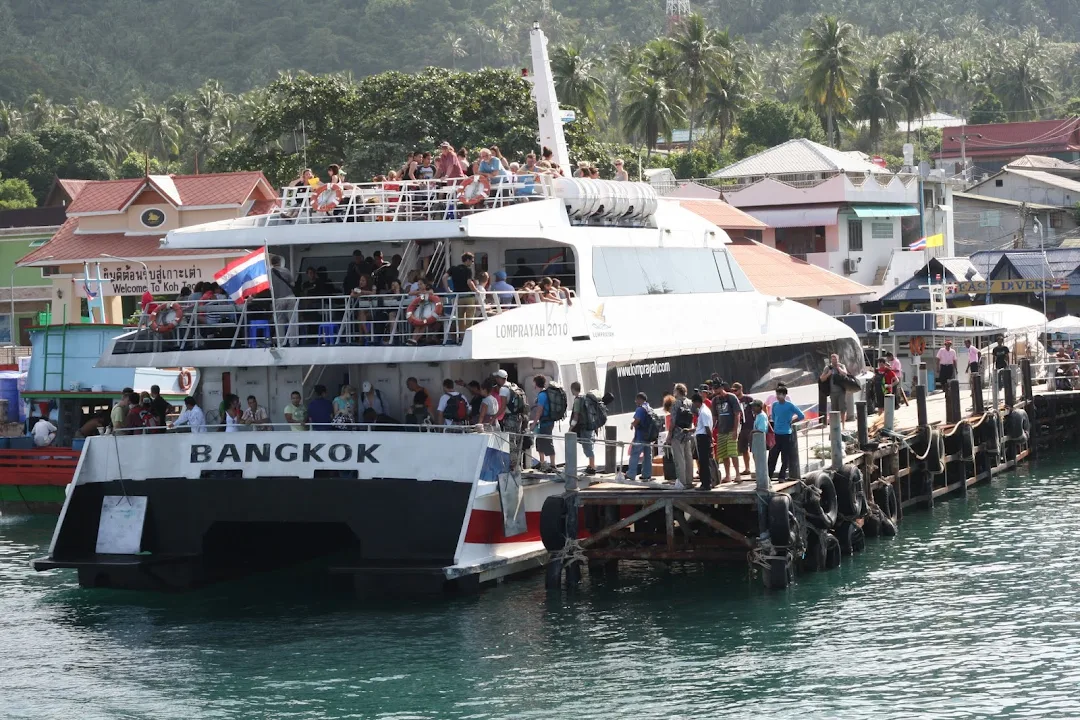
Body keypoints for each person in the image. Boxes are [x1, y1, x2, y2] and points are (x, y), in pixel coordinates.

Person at [768, 385, 805, 481]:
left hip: (786, 434)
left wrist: (792, 421)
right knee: (772, 456)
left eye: (780, 394)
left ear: (785, 395)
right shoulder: (775, 405)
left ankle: (782, 476)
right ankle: (768, 476)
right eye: (777, 394)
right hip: (776, 434)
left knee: (785, 457)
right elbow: (773, 416)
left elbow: (801, 415)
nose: (778, 396)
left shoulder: (790, 405)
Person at [711, 382, 742, 483]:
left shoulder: (731, 397)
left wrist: (735, 430)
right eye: (714, 389)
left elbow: (737, 414)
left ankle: (738, 475)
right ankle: (728, 475)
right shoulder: (715, 400)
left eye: (717, 388)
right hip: (721, 430)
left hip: (731, 429)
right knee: (724, 454)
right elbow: (714, 417)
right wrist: (711, 430)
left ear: (722, 387)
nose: (715, 391)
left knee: (733, 452)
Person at [666, 383, 695, 490]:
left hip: (677, 434)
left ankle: (682, 483)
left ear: (677, 391)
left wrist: (669, 435)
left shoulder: (675, 404)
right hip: (687, 433)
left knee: (679, 459)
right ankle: (689, 481)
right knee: (688, 458)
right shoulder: (690, 402)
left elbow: (673, 421)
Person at [569, 382, 597, 475]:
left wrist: (571, 428)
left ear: (573, 389)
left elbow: (576, 416)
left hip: (584, 427)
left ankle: (592, 466)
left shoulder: (577, 400)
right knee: (589, 445)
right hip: (590, 425)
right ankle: (591, 465)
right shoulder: (585, 398)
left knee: (587, 446)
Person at [269, 255, 298, 347]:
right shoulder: (286, 270)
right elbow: (292, 283)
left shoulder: (269, 273)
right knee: (292, 321)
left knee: (279, 322)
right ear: (280, 262)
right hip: (290, 297)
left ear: (271, 263)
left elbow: (269, 287)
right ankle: (293, 343)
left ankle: (281, 343)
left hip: (278, 299)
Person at [449, 252, 479, 338]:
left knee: (460, 318)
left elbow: (444, 277)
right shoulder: (468, 270)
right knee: (469, 318)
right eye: (472, 261)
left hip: (459, 297)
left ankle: (462, 336)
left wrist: (448, 289)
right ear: (468, 260)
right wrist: (476, 290)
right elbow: (469, 282)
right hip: (469, 297)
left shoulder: (453, 269)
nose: (472, 263)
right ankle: (469, 336)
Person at [530, 375, 556, 472]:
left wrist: (534, 423)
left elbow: (539, 410)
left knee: (547, 442)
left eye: (534, 384)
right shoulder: (545, 393)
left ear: (537, 384)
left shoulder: (542, 395)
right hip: (545, 422)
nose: (533, 386)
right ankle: (542, 463)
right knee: (540, 441)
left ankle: (553, 465)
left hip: (546, 422)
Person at [627, 392, 654, 480]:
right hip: (649, 437)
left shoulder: (640, 409)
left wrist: (632, 425)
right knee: (647, 456)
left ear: (640, 399)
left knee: (634, 454)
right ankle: (647, 474)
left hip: (640, 436)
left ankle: (631, 474)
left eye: (636, 399)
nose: (635, 401)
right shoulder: (650, 409)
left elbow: (637, 420)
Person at [731, 382, 755, 476]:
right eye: (733, 390)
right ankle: (747, 468)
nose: (734, 392)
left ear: (741, 389)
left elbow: (755, 410)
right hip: (741, 427)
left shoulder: (748, 399)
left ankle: (757, 467)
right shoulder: (734, 400)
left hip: (750, 425)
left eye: (735, 390)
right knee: (743, 449)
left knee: (754, 448)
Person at [819, 353, 850, 423]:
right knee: (834, 410)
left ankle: (843, 425)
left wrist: (838, 368)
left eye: (835, 359)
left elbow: (845, 373)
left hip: (841, 391)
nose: (834, 361)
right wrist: (828, 374)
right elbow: (821, 378)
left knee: (842, 409)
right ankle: (836, 425)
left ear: (838, 359)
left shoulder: (841, 366)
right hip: (832, 392)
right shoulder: (828, 368)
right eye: (832, 359)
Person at [692, 393, 714, 490]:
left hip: (703, 437)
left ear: (697, 402)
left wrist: (711, 438)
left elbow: (706, 427)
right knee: (703, 461)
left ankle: (706, 484)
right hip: (703, 436)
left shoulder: (703, 412)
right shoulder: (704, 410)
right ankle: (706, 482)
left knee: (704, 462)